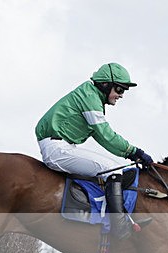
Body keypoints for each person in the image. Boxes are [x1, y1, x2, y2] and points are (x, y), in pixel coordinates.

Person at [35, 62, 154, 239]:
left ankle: (119, 217)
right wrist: (134, 151)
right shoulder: (89, 97)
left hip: (62, 145)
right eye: (120, 90)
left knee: (115, 168)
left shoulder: (92, 96)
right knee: (113, 171)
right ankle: (119, 227)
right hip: (57, 148)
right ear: (105, 85)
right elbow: (105, 135)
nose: (121, 95)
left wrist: (130, 153)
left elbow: (101, 137)